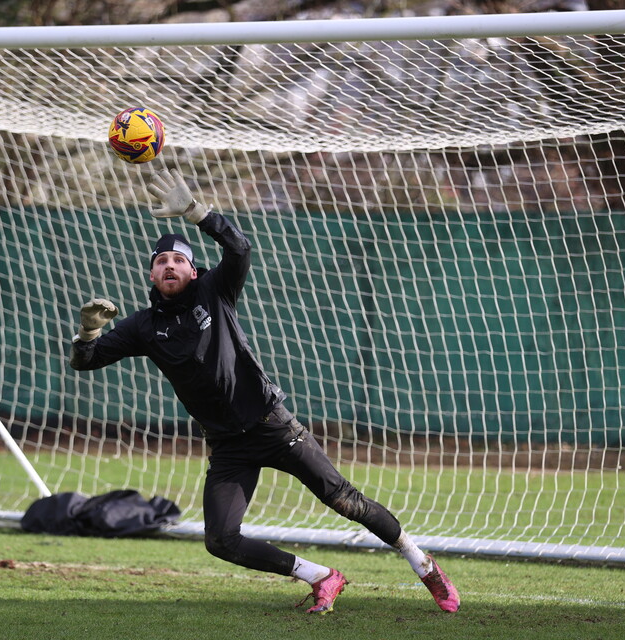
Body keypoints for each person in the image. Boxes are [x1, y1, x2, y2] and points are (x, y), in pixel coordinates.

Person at [68, 169, 459, 614]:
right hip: (228, 446)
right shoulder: (142, 325)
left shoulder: (214, 290)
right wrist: (87, 331)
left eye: (179, 260)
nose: (170, 266)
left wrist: (199, 212)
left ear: (192, 269)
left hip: (273, 426)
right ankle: (321, 577)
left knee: (344, 500)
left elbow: (240, 247)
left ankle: (423, 564)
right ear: (152, 274)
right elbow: (86, 361)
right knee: (219, 539)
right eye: (162, 262)